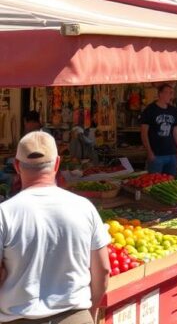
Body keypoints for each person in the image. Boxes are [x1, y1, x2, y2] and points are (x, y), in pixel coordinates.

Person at [0, 131, 110, 324]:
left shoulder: (5, 213)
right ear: (57, 164)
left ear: (17, 166)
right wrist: (90, 310)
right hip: (75, 316)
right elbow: (103, 270)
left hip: (17, 318)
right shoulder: (84, 207)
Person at [140, 83, 177, 175]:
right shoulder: (150, 110)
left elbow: (175, 131)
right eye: (168, 93)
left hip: (172, 154)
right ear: (160, 94)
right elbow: (144, 132)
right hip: (156, 155)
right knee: (155, 183)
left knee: (170, 183)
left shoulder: (173, 110)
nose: (170, 95)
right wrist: (149, 151)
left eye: (171, 93)